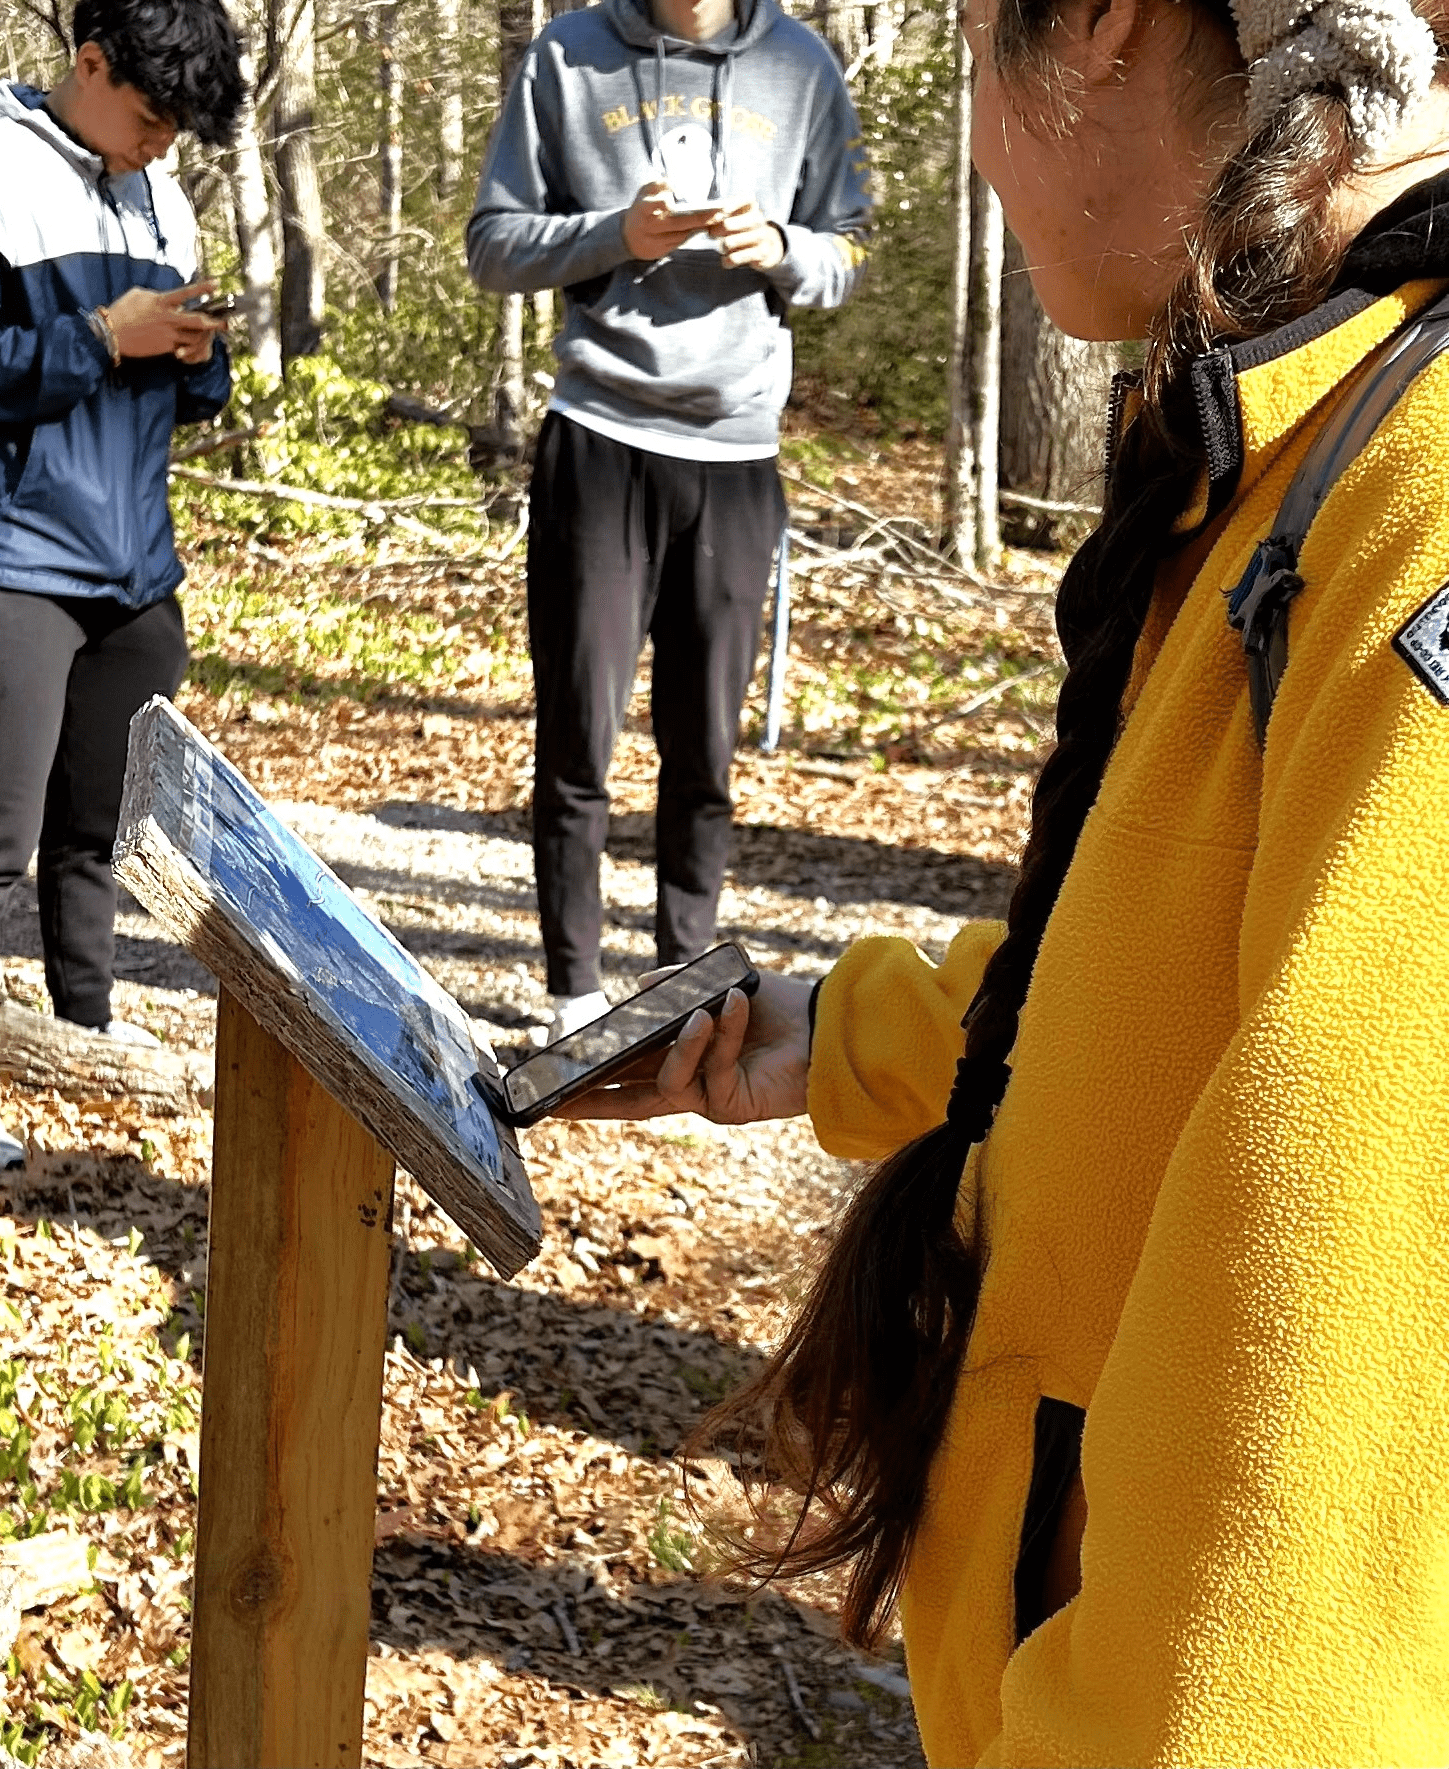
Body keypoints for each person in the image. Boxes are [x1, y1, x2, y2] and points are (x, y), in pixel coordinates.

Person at [566, 0, 1449, 1759]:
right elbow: (1174, 968)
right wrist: (835, 1038)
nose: (975, 142)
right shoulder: (1315, 411)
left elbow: (1339, 1336)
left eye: (976, 45)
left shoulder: (1418, 481)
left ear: (1103, 30)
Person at [466, 0, 870, 1044]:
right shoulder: (567, 56)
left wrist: (781, 244)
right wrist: (614, 236)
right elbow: (492, 244)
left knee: (704, 749)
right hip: (596, 437)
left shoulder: (798, 66)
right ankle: (571, 992)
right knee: (578, 733)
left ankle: (683, 979)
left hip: (735, 457)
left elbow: (848, 253)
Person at [0, 0, 244, 1168]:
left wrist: (196, 357)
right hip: (8, 552)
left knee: (97, 827)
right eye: (150, 117)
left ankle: (81, 1023)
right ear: (88, 64)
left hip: (134, 563)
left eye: (178, 129)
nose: (161, 145)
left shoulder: (162, 193)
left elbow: (187, 390)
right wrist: (101, 333)